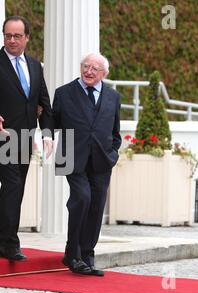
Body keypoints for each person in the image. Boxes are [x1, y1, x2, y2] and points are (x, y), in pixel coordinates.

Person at [0, 16, 54, 261]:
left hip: (25, 138)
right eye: (8, 35)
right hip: (1, 136)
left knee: (15, 191)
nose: (11, 40)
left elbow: (43, 101)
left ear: (27, 38)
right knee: (12, 186)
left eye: (17, 36)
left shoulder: (34, 66)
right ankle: (10, 242)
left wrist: (48, 134)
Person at [52, 53, 121, 276]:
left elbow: (115, 132)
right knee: (82, 198)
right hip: (71, 156)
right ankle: (73, 253)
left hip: (102, 160)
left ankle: (87, 257)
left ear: (104, 73)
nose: (89, 71)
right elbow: (52, 125)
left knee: (96, 205)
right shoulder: (63, 93)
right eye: (85, 66)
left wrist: (113, 154)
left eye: (95, 68)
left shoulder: (113, 97)